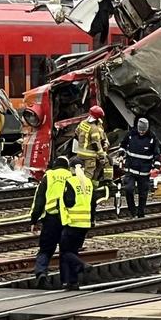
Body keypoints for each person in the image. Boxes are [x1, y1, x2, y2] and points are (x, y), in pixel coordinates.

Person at [29, 156, 73, 284]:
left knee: (45, 249)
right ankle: (66, 279)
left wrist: (34, 220)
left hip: (50, 219)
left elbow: (39, 200)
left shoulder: (49, 176)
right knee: (66, 250)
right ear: (67, 166)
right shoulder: (72, 177)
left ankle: (41, 272)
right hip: (67, 220)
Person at [56, 157, 98, 290]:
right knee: (73, 251)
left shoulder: (70, 182)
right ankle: (73, 282)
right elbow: (93, 204)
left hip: (72, 222)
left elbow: (68, 202)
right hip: (85, 224)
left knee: (65, 252)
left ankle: (82, 265)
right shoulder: (89, 183)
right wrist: (92, 220)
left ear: (72, 169)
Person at [120, 117, 161, 218]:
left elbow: (157, 154)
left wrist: (156, 166)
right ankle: (132, 211)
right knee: (129, 189)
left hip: (144, 172)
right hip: (130, 169)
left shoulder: (152, 138)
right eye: (140, 130)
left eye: (143, 130)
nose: (141, 132)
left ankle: (141, 213)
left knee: (143, 194)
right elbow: (123, 145)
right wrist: (121, 154)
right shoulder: (131, 135)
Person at [73, 105, 110, 182]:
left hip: (80, 154)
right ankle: (89, 190)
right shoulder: (94, 128)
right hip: (90, 156)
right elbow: (96, 144)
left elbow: (76, 134)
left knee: (79, 173)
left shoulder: (82, 123)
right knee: (88, 175)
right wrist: (102, 155)